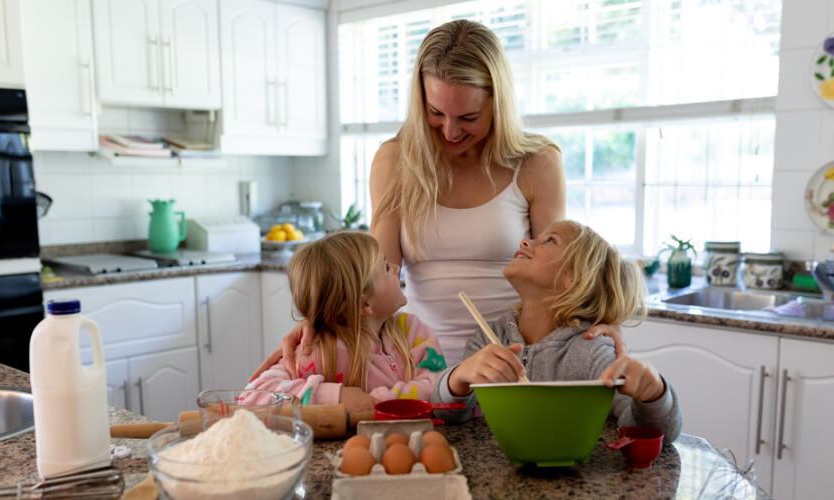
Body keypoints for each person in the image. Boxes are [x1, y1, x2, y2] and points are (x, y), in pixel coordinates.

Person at [250, 19, 624, 382]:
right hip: (415, 369)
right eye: (435, 112)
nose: (450, 130)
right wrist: (320, 322)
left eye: (468, 116)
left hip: (513, 369)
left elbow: (562, 270)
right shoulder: (395, 160)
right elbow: (372, 276)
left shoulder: (537, 163)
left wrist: (602, 324)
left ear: (498, 103)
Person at [433, 220, 682, 443]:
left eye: (550, 240)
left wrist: (654, 395)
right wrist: (457, 378)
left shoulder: (592, 352)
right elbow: (448, 415)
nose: (525, 241)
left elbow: (648, 432)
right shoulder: (488, 339)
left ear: (573, 277)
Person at [244, 232, 447, 413]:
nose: (396, 268)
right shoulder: (318, 352)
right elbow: (252, 396)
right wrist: (336, 397)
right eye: (386, 267)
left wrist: (375, 401)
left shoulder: (413, 331)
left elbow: (438, 388)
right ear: (364, 304)